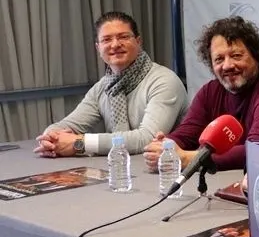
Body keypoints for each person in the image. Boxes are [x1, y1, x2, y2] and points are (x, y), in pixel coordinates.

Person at [143, 16, 259, 172]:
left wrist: (188, 159)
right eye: (219, 59)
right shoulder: (209, 92)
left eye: (236, 56)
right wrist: (165, 146)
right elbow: (186, 134)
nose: (227, 65)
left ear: (256, 57)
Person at [35, 11, 187, 157]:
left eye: (123, 37)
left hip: (164, 172)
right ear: (98, 48)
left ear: (138, 41)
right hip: (121, 168)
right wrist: (51, 137)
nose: (115, 44)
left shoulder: (164, 81)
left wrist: (80, 144)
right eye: (106, 40)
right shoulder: (103, 87)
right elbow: (69, 124)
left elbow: (146, 139)